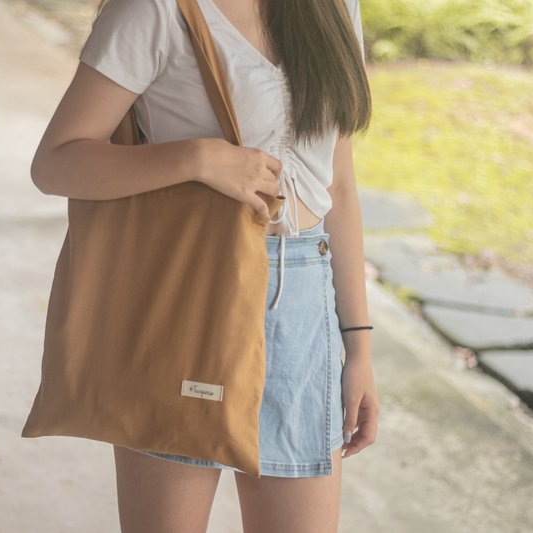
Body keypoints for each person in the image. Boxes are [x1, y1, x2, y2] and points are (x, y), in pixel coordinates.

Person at [29, 0, 379, 530]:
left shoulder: (333, 6)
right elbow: (55, 161)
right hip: (192, 297)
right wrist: (195, 159)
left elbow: (341, 185)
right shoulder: (155, 9)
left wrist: (359, 347)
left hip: (305, 307)